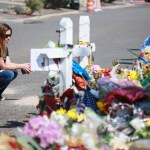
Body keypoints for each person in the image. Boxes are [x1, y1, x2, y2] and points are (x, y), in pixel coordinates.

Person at [0, 23, 32, 101]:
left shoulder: (4, 46)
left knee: (14, 72)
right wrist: (21, 66)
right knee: (9, 74)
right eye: (6, 35)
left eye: (10, 35)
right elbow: (3, 66)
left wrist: (24, 65)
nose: (9, 38)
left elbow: (8, 63)